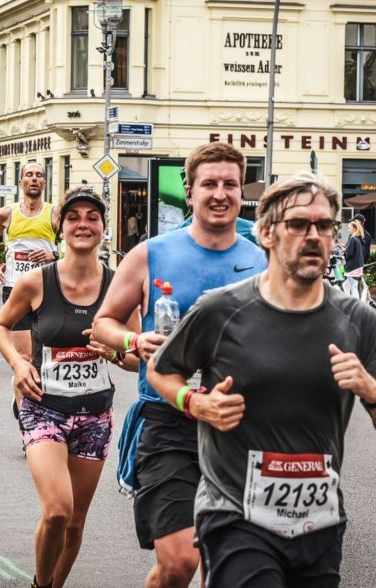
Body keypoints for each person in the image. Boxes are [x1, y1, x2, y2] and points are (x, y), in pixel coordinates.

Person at [147, 171, 376, 587]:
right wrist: (195, 403)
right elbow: (161, 370)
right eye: (298, 225)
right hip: (235, 515)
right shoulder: (221, 309)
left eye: (324, 226)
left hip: (318, 521)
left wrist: (371, 389)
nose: (314, 236)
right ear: (267, 234)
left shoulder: (358, 321)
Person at [92, 142, 269, 588]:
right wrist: (135, 338)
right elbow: (104, 324)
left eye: (230, 184)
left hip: (240, 429)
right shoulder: (151, 254)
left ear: (241, 192)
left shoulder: (263, 261)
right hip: (169, 423)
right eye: (209, 184)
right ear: (189, 192)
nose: (220, 193)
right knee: (178, 562)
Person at [0, 187, 139, 588]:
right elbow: (1, 325)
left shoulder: (120, 287)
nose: (83, 224)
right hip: (45, 407)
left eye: (93, 217)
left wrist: (111, 352)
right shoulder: (36, 282)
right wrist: (19, 362)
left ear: (103, 229)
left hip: (95, 415)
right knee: (58, 510)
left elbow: (136, 358)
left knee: (75, 524)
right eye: (74, 217)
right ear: (60, 227)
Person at [0, 162, 59, 379]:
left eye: (39, 175)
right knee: (23, 358)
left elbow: (71, 245)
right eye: (29, 175)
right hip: (15, 290)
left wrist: (54, 256)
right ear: (21, 182)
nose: (34, 178)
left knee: (45, 355)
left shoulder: (55, 213)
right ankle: (24, 408)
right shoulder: (6, 214)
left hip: (47, 290)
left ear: (44, 183)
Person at [342, 219, 366, 299]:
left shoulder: (352, 239)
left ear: (354, 229)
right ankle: (355, 304)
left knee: (346, 286)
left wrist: (344, 251)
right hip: (358, 267)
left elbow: (349, 254)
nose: (348, 229)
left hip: (351, 267)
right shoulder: (358, 239)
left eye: (349, 228)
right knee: (353, 287)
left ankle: (349, 304)